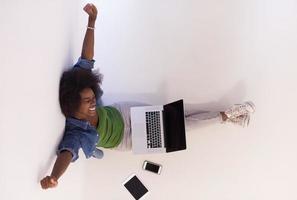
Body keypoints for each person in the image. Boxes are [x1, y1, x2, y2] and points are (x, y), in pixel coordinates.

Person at [40, 3, 255, 190]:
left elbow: (87, 58)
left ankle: (226, 116)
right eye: (88, 102)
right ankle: (226, 116)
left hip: (125, 113)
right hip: (128, 139)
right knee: (180, 129)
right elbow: (66, 153)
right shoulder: (76, 133)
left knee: (176, 115)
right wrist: (54, 177)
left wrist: (92, 21)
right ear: (74, 106)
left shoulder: (81, 85)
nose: (93, 101)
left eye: (92, 96)